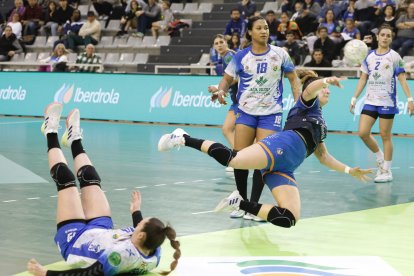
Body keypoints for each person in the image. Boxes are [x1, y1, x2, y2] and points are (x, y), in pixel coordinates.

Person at [158, 70, 371, 228]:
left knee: (289, 217)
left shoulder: (320, 122)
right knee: (234, 159)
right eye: (323, 88)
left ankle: (240, 204)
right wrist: (326, 80)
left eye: (327, 88)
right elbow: (308, 89)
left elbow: (323, 156)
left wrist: (349, 170)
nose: (326, 90)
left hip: (285, 168)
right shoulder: (307, 103)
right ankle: (183, 138)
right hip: (280, 147)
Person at [27, 102, 180, 275]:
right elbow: (146, 230)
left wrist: (45, 273)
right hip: (101, 231)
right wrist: (136, 211)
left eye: (140, 224)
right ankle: (74, 139)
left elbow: (86, 274)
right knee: (90, 177)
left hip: (75, 241)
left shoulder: (118, 258)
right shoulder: (154, 248)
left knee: (65, 179)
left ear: (141, 236)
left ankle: (50, 131)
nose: (137, 224)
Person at [210, 16, 301, 221]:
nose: (264, 31)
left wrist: (298, 106)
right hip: (246, 112)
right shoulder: (241, 56)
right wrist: (221, 91)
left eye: (266, 28)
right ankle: (240, 202)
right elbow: (227, 79)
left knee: (264, 160)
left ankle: (252, 206)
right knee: (239, 158)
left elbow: (294, 79)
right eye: (259, 28)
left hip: (271, 114)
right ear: (250, 32)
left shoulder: (280, 54)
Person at [350, 24, 414, 183]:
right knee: (363, 133)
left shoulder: (395, 57)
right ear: (378, 37)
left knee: (385, 135)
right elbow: (363, 79)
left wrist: (410, 99)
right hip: (371, 101)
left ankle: (386, 170)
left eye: (388, 35)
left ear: (391, 39)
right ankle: (380, 157)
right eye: (383, 35)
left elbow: (402, 80)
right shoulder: (368, 56)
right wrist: (354, 97)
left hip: (387, 102)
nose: (385, 37)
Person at [208, 34, 237, 152]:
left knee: (227, 129)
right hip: (237, 101)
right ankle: (240, 157)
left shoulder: (228, 58)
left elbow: (237, 78)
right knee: (227, 129)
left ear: (226, 43)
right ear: (213, 47)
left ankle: (240, 157)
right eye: (216, 43)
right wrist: (220, 91)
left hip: (242, 101)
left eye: (221, 42)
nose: (219, 45)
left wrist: (218, 88)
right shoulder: (226, 57)